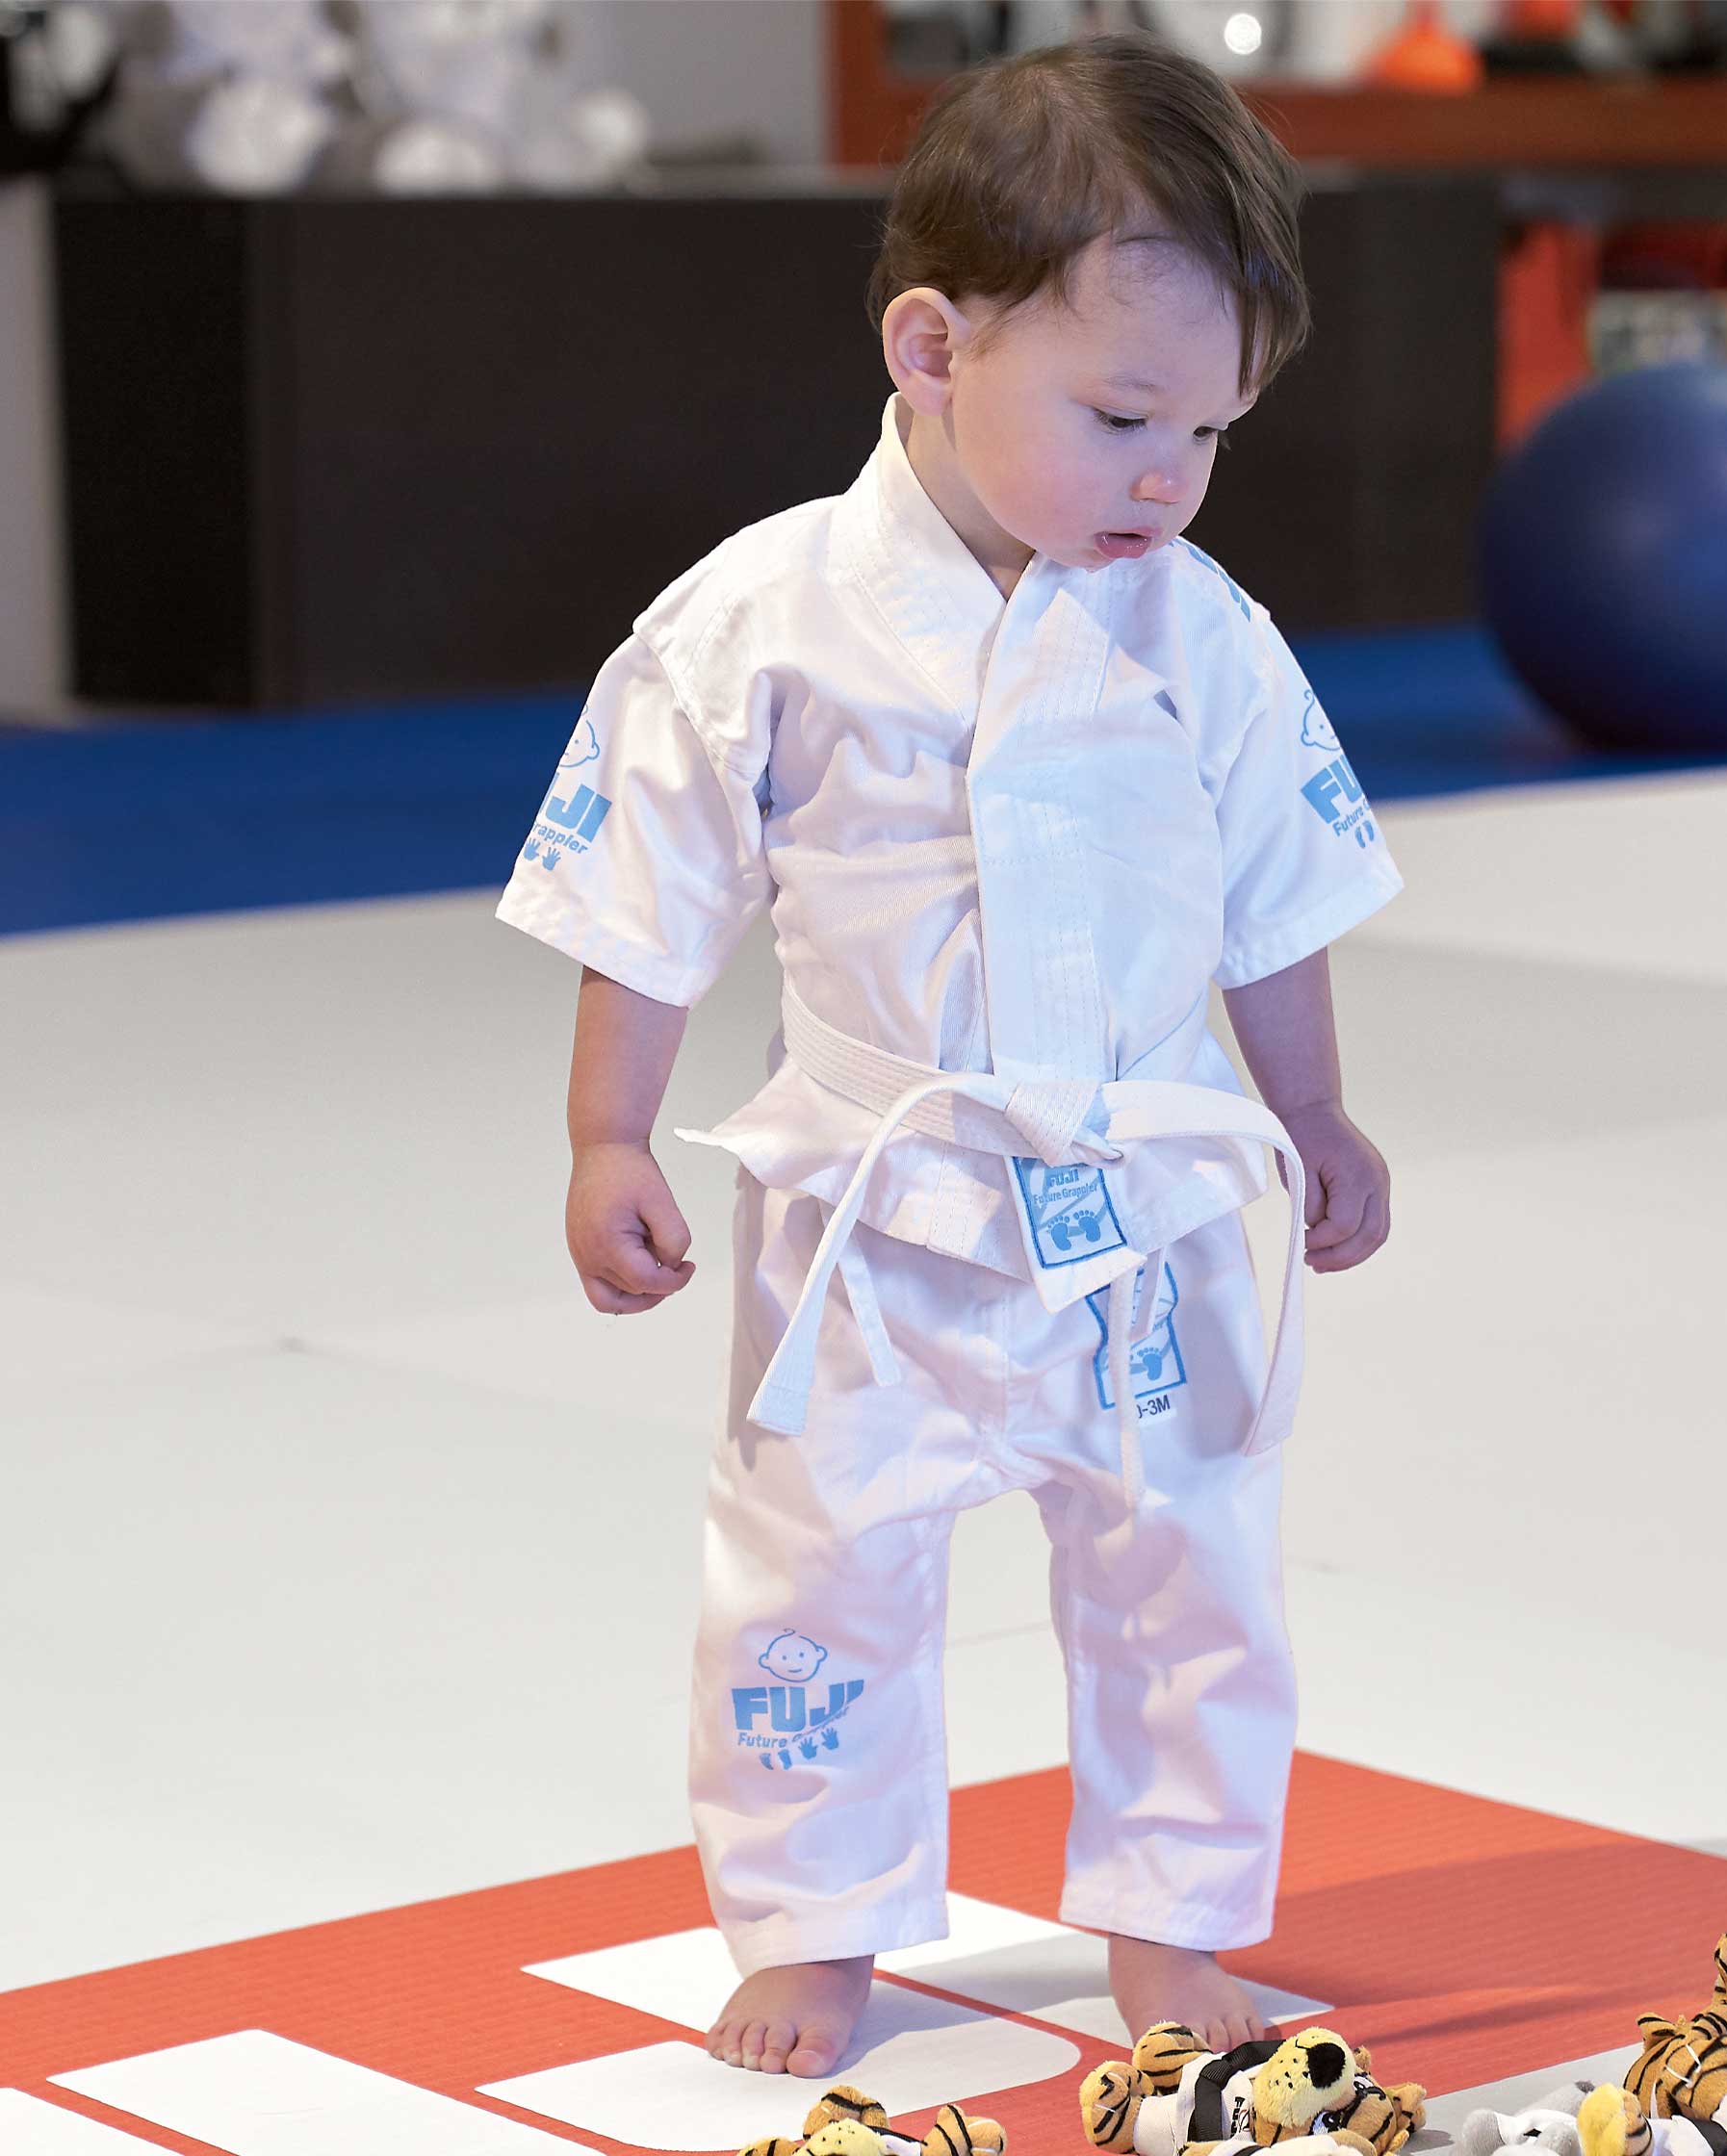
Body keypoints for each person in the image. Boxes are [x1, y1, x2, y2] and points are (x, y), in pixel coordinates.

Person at [494, 30, 1402, 2088]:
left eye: (1213, 433)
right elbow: (648, 885)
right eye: (1123, 414)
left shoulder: (1204, 629)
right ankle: (818, 1916)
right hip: (874, 1218)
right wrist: (604, 1127)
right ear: (931, 347)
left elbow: (1274, 897)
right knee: (815, 1583)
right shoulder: (766, 620)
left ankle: (1173, 1911)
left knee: (1193, 1571)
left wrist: (1314, 1104)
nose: (1171, 477)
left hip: (1147, 1206)